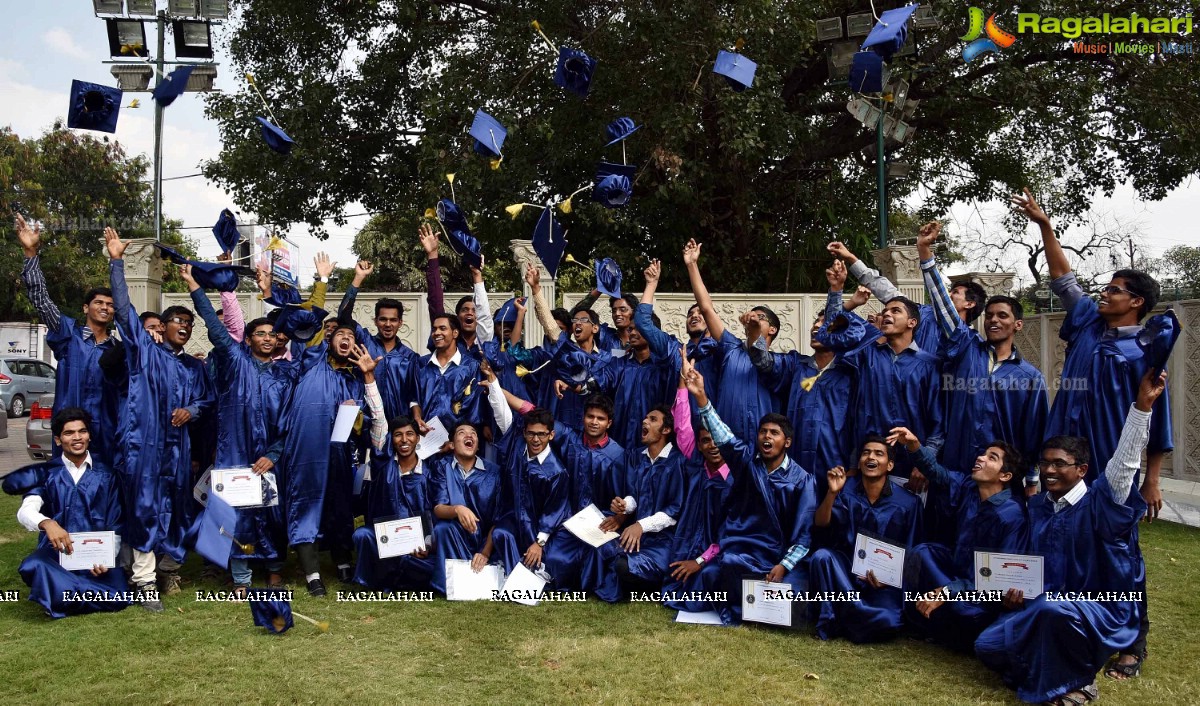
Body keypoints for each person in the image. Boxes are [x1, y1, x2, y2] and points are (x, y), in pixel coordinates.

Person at [1015, 188, 1170, 678]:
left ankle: (1133, 639)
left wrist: (1153, 479)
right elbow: (1064, 281)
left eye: (1115, 289)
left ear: (1136, 301)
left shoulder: (1145, 353)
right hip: (1064, 461)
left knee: (1118, 553)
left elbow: (1154, 419)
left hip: (1110, 469)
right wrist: (1045, 226)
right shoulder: (1085, 326)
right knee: (1061, 545)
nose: (1104, 293)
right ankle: (1069, 626)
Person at [974, 371, 1164, 705]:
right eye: (1045, 463)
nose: (1049, 471)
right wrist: (1010, 594)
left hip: (1098, 607)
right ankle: (1056, 663)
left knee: (1051, 609)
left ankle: (1078, 685)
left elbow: (1125, 462)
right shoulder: (1036, 508)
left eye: (1060, 464)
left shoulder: (1102, 503)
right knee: (987, 645)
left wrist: (1142, 408)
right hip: (1044, 605)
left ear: (1082, 470)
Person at [105, 228, 214, 599]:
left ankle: (169, 571)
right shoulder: (144, 354)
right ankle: (144, 579)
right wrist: (116, 262)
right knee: (145, 508)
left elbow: (208, 400)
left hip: (179, 451)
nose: (185, 326)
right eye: (178, 321)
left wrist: (193, 409)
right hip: (145, 446)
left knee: (179, 509)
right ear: (162, 326)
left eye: (190, 323)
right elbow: (123, 311)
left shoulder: (195, 368)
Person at [183, 264, 297, 592]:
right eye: (259, 334)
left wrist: (275, 454)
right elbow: (216, 329)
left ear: (278, 341)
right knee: (237, 515)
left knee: (273, 514)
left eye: (271, 334)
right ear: (248, 339)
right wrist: (194, 286)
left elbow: (291, 422)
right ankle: (242, 577)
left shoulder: (286, 375)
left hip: (271, 457)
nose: (266, 338)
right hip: (235, 452)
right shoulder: (235, 362)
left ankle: (275, 570)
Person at [916, 221, 1048, 496]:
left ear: (1017, 325)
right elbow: (944, 307)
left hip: (998, 481)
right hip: (952, 470)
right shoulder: (966, 347)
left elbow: (1033, 434)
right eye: (989, 316)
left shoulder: (1030, 378)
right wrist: (925, 253)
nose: (994, 321)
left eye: (1002, 316)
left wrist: (1032, 481)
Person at [692, 369, 817, 624]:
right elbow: (724, 437)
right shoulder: (747, 462)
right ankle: (750, 607)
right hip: (744, 550)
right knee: (724, 567)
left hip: (778, 555)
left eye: (774, 433)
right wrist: (702, 398)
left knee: (797, 598)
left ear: (788, 442)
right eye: (763, 432)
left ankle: (758, 603)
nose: (767, 437)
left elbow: (804, 533)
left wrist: (784, 565)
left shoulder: (803, 480)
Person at [888, 426, 1028, 651]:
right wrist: (914, 445)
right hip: (954, 571)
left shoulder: (1012, 515)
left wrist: (948, 591)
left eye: (991, 457)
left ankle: (950, 627)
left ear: (1005, 475)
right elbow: (936, 472)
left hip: (982, 592)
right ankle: (919, 619)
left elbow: (1000, 579)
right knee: (922, 553)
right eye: (982, 453)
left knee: (965, 612)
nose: (980, 458)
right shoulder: (968, 487)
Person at [277, 318, 385, 596]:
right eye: (340, 334)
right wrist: (328, 282)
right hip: (306, 450)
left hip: (338, 453)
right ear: (329, 339)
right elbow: (305, 330)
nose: (345, 337)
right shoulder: (311, 362)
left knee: (339, 506)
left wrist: (355, 413)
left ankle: (341, 560)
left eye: (351, 334)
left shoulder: (353, 378)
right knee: (306, 505)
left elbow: (364, 424)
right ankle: (312, 572)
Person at [750, 261, 878, 484]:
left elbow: (859, 421)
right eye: (814, 323)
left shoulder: (850, 372)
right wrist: (754, 335)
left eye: (823, 323)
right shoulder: (795, 365)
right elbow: (764, 361)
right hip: (795, 467)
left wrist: (854, 464)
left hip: (837, 467)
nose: (816, 327)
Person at [16, 214, 119, 465]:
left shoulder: (117, 349)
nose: (105, 308)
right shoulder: (67, 334)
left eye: (110, 305)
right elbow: (41, 299)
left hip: (105, 433)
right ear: (86, 308)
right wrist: (31, 254)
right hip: (69, 430)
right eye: (99, 303)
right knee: (66, 488)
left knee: (103, 490)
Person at [15, 408, 135, 617]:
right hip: (57, 555)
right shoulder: (45, 474)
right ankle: (75, 593)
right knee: (32, 565)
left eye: (82, 431)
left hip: (95, 558)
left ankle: (59, 594)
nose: (77, 437)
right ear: (58, 439)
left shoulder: (107, 474)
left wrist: (105, 559)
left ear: (89, 436)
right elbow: (26, 510)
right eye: (69, 433)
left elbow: (116, 524)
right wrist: (47, 523)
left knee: (121, 597)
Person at [807, 435, 924, 643]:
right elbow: (821, 523)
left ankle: (846, 614)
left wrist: (889, 579)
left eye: (879, 453)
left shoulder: (909, 503)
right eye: (866, 453)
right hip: (847, 573)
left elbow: (913, 551)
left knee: (889, 621)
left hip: (884, 583)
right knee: (822, 557)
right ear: (859, 462)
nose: (871, 457)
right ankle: (835, 618)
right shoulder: (845, 490)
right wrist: (832, 493)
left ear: (890, 465)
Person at [684, 238, 780, 443]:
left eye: (760, 317)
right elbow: (707, 308)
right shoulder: (731, 348)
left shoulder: (780, 364)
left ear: (772, 329)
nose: (753, 317)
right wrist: (692, 265)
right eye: (751, 315)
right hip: (726, 444)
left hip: (762, 446)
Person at [827, 240, 986, 355]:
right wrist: (849, 257)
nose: (948, 295)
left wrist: (924, 251)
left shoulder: (967, 338)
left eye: (955, 292)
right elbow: (882, 287)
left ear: (970, 304)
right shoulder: (920, 312)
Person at [662, 358, 732, 615]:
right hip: (688, 541)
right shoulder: (696, 464)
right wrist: (683, 381)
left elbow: (731, 533)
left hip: (720, 551)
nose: (712, 445)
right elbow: (682, 425)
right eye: (705, 441)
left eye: (716, 439)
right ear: (699, 445)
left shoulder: (735, 478)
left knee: (703, 585)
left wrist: (700, 561)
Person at [598, 404, 686, 601]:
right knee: (602, 549)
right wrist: (624, 506)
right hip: (640, 536)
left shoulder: (677, 462)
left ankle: (649, 585)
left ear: (666, 430)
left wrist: (640, 525)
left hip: (665, 540)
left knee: (623, 566)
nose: (645, 421)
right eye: (645, 418)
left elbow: (674, 509)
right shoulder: (638, 458)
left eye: (653, 419)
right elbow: (636, 496)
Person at [524, 263, 617, 430]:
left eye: (583, 320)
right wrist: (536, 288)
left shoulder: (606, 359)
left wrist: (577, 385)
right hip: (564, 424)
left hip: (592, 429)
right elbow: (551, 327)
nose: (577, 324)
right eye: (574, 321)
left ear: (595, 328)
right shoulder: (567, 351)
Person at [352, 416, 436, 591]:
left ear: (418, 438)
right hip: (386, 539)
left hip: (416, 544)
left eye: (410, 434)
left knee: (428, 566)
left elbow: (433, 513)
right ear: (391, 439)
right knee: (362, 535)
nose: (404, 440)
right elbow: (378, 419)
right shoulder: (382, 467)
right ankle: (375, 581)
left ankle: (397, 577)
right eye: (398, 435)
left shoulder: (430, 473)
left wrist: (427, 543)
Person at [337, 260, 421, 422]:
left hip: (398, 427)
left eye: (393, 320)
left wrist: (416, 419)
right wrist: (358, 278)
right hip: (364, 423)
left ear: (400, 323)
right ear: (375, 321)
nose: (388, 324)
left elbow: (414, 397)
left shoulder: (410, 357)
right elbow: (343, 317)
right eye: (383, 319)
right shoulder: (364, 343)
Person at [490, 407, 570, 577]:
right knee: (501, 533)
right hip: (516, 518)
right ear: (524, 433)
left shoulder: (556, 472)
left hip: (542, 527)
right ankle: (516, 578)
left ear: (551, 435)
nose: (535, 439)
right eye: (531, 433)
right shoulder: (518, 451)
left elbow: (554, 511)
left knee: (552, 560)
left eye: (541, 434)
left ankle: (524, 578)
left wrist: (539, 543)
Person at [428, 420, 507, 594]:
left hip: (485, 541)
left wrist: (485, 552)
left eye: (473, 433)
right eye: (461, 433)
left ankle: (468, 575)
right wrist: (458, 509)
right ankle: (455, 583)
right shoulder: (442, 467)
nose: (469, 435)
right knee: (443, 528)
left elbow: (498, 517)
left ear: (478, 445)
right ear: (451, 445)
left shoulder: (494, 473)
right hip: (453, 537)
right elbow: (438, 508)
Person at [418, 223, 494, 356]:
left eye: (474, 310)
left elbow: (485, 315)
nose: (470, 313)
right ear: (458, 317)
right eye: (465, 310)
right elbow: (435, 303)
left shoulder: (485, 342)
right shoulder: (447, 342)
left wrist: (477, 274)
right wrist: (432, 256)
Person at [412, 312, 484, 432]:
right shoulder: (421, 364)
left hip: (457, 440)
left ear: (455, 333)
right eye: (434, 329)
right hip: (425, 436)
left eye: (442, 328)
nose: (437, 333)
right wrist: (417, 418)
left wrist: (455, 439)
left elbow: (474, 407)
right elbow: (414, 397)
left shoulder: (470, 366)